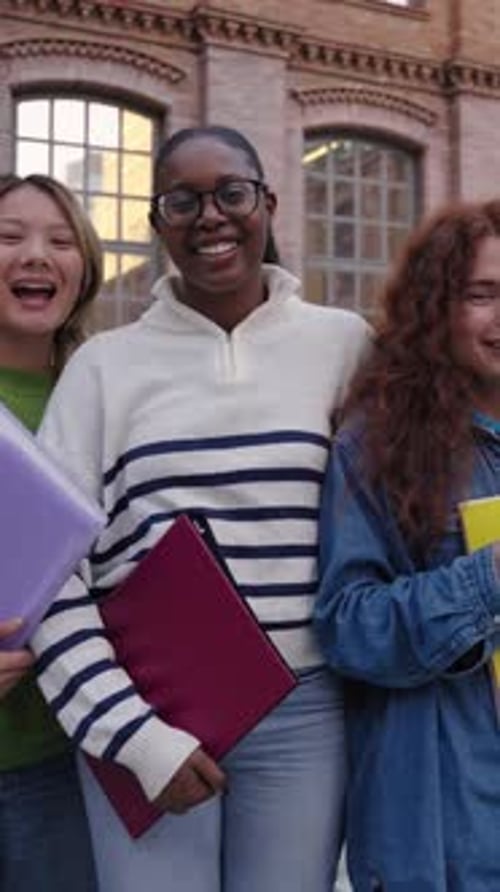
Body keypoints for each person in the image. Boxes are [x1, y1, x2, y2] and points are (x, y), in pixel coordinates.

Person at [31, 125, 371, 892]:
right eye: (182, 201)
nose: (210, 215)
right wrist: (133, 735)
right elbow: (49, 576)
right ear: (158, 223)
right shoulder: (102, 369)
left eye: (231, 193)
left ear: (268, 203)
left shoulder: (344, 345)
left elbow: (400, 510)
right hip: (149, 703)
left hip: (303, 710)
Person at [314, 199, 500, 892]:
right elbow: (348, 625)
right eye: (482, 295)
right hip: (447, 829)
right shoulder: (380, 443)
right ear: (436, 308)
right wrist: (487, 580)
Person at [0, 173, 101, 891]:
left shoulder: (104, 392)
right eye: (9, 237)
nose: (36, 254)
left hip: (65, 761)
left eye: (61, 240)